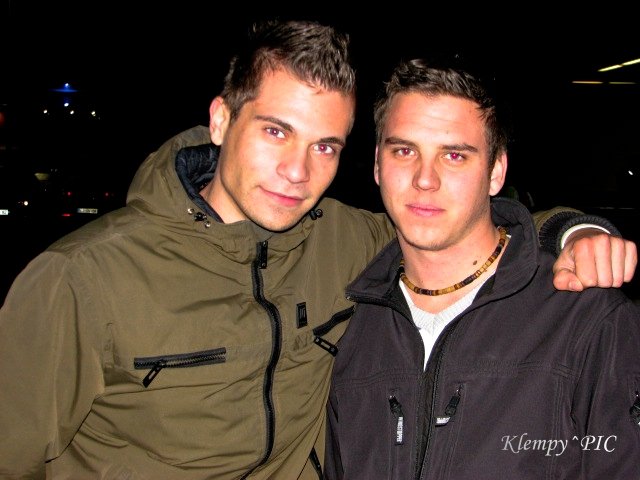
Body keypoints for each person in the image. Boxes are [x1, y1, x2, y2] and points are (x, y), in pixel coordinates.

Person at [0, 20, 635, 480]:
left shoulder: (342, 242)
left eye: (324, 146)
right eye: (276, 131)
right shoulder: (79, 279)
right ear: (220, 120)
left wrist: (573, 230)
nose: (297, 171)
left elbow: (459, 226)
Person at [324, 58, 640, 479]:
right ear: (378, 165)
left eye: (454, 155)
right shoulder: (350, 323)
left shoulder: (586, 319)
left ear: (495, 172)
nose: (425, 179)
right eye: (404, 151)